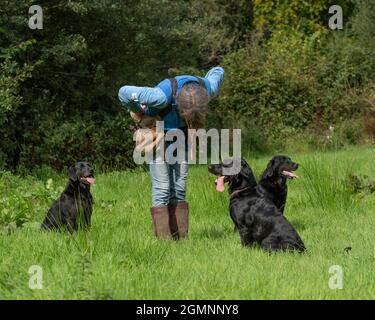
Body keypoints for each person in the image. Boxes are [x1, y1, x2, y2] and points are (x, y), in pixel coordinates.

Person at [118, 66, 224, 240]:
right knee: (162, 189)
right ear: (179, 105)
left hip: (181, 138)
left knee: (179, 188)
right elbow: (123, 92)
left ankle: (181, 240)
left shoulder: (208, 89)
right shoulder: (160, 97)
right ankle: (164, 243)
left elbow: (218, 71)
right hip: (157, 135)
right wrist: (137, 110)